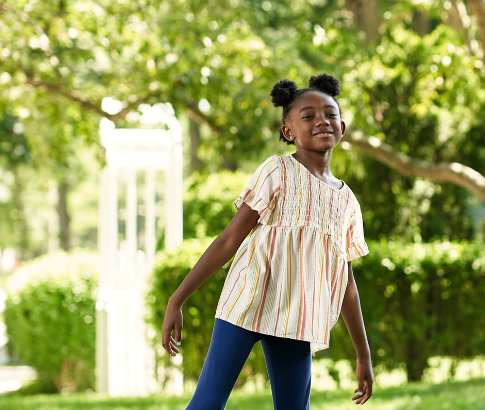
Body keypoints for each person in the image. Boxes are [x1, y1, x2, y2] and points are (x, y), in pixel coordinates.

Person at [159, 74, 375, 409]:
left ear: (342, 128)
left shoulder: (347, 202)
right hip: (246, 303)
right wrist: (178, 298)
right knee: (206, 404)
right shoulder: (276, 171)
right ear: (289, 132)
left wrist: (363, 355)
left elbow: (346, 283)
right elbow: (229, 240)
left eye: (330, 114)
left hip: (297, 319)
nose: (322, 120)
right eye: (308, 116)